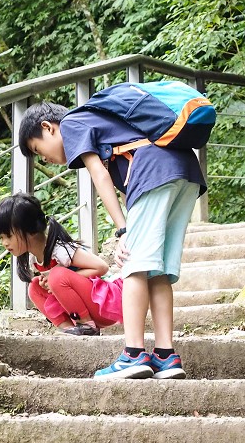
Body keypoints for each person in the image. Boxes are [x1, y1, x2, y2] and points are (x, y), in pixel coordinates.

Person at [18, 101, 207, 379]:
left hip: (153, 171)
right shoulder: (103, 127)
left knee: (134, 265)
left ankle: (133, 354)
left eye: (38, 149)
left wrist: (123, 230)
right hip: (184, 171)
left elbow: (100, 175)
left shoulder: (72, 124)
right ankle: (166, 356)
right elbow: (122, 181)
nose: (44, 158)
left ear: (48, 127)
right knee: (158, 271)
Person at [0, 193, 123, 336]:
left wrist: (61, 277)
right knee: (34, 287)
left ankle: (86, 325)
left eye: (8, 236)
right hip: (89, 307)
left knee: (56, 276)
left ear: (30, 230)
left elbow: (102, 267)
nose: (4, 243)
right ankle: (68, 328)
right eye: (1, 238)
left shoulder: (60, 250)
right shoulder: (34, 259)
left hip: (108, 303)